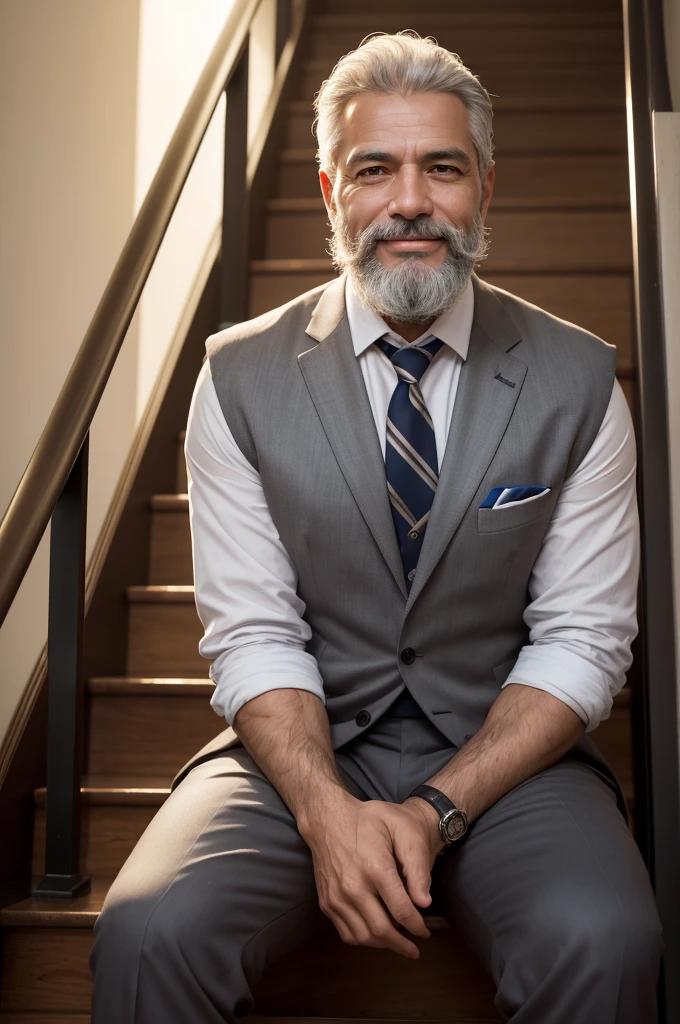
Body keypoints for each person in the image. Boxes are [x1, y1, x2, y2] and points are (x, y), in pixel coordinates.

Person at [89, 32, 663, 1022]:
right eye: (373, 169)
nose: (408, 201)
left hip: (508, 756)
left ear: (484, 185)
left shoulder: (578, 382)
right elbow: (254, 633)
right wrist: (325, 813)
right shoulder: (234, 377)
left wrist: (432, 808)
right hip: (301, 752)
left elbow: (582, 640)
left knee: (605, 937)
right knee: (148, 929)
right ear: (328, 192)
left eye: (441, 168)